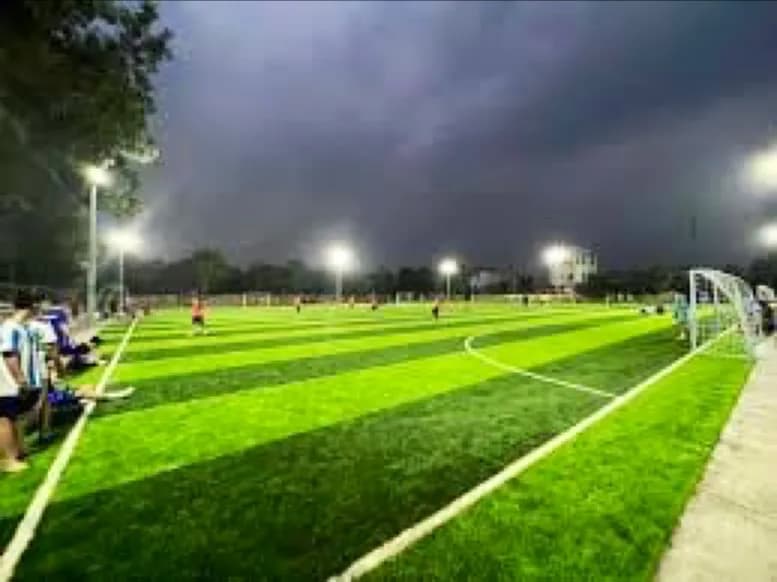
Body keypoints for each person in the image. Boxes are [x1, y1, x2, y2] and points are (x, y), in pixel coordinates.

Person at [0, 290, 47, 471]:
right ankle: (8, 460)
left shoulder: (20, 328)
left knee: (13, 418)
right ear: (33, 306)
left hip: (10, 382)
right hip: (6, 382)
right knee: (4, 419)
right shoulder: (10, 328)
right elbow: (9, 355)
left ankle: (18, 452)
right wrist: (20, 380)